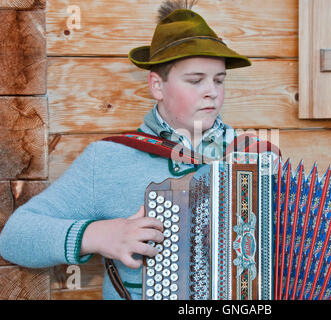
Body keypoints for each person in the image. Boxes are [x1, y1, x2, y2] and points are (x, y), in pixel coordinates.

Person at [0, 0, 251, 300]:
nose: (212, 91)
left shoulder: (251, 158)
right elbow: (15, 236)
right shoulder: (107, 160)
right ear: (157, 86)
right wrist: (98, 235)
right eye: (195, 80)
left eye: (219, 80)